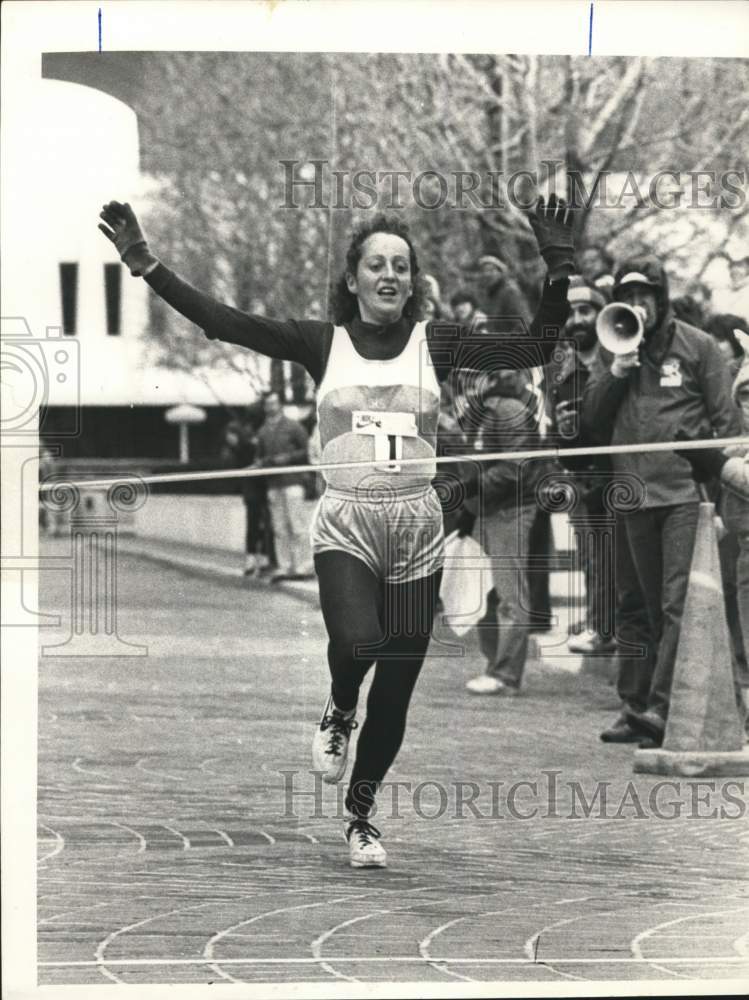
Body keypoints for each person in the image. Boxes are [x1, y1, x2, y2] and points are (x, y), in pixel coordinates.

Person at [98, 195, 574, 868]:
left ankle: (360, 817)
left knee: (400, 683)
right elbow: (223, 321)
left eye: (401, 267)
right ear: (351, 279)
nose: (389, 276)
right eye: (375, 264)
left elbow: (534, 345)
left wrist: (558, 264)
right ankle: (338, 705)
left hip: (415, 527)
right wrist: (147, 265)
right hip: (348, 522)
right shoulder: (320, 342)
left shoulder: (433, 342)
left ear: (411, 282)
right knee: (357, 642)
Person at [582, 255, 740, 746]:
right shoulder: (612, 350)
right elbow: (588, 425)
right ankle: (634, 705)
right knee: (633, 604)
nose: (635, 307)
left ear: (660, 299)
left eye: (643, 297)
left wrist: (715, 492)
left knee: (675, 603)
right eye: (626, 299)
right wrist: (615, 372)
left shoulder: (698, 347)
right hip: (630, 494)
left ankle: (664, 706)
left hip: (679, 495)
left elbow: (728, 424)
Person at [456, 367, 547, 696]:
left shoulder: (506, 411)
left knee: (509, 595)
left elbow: (514, 467)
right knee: (483, 594)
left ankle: (506, 672)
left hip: (510, 508)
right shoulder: (479, 413)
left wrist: (470, 486)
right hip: (488, 508)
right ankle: (496, 666)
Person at [255, 391, 314, 582]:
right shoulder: (263, 431)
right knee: (279, 528)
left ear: (280, 404)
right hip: (273, 484)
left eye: (274, 403)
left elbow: (307, 451)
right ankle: (284, 566)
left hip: (293, 482)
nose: (271, 407)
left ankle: (303, 566)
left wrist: (288, 458)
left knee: (297, 526)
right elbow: (260, 456)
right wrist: (262, 462)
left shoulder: (293, 426)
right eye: (268, 404)